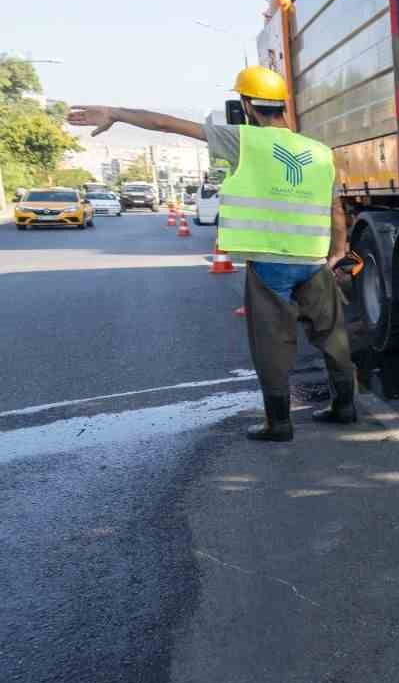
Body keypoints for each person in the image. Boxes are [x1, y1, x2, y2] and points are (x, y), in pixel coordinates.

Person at [69, 66, 357, 442]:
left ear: (246, 104)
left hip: (270, 264)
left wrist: (116, 113)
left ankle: (279, 423)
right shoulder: (320, 152)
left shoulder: (245, 141)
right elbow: (336, 211)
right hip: (314, 263)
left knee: (272, 344)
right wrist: (337, 251)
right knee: (332, 337)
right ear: (283, 105)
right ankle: (345, 407)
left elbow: (167, 124)